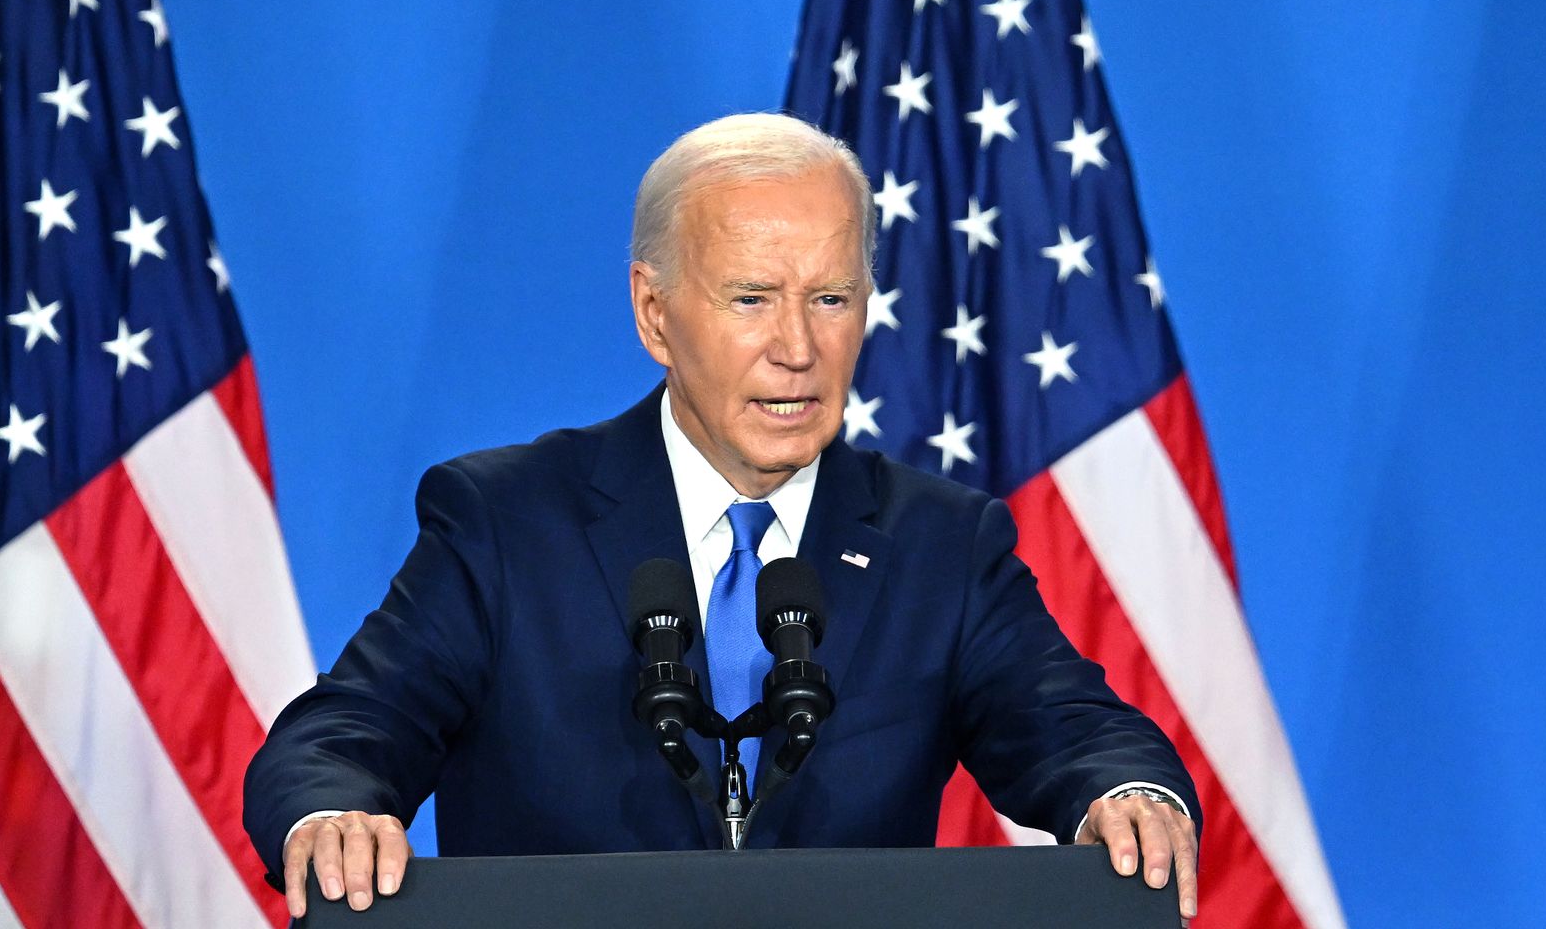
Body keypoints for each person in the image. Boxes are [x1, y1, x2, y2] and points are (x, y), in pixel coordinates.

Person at [243, 113, 1202, 922]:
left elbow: (1076, 729)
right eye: (752, 299)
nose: (798, 348)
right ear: (655, 314)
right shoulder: (506, 522)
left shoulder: (941, 545)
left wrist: (1126, 794)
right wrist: (334, 812)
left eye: (831, 298)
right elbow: (341, 734)